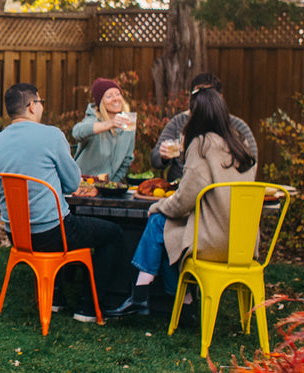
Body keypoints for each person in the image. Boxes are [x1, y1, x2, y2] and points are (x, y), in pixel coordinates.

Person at [106, 85, 257, 317]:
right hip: (243, 242)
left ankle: (143, 295)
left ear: (198, 115)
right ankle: (182, 302)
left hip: (213, 242)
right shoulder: (240, 144)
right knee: (168, 230)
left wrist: (157, 205)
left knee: (159, 221)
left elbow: (183, 202)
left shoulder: (203, 145)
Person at [0, 83, 124, 322]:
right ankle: (89, 308)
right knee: (113, 234)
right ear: (31, 106)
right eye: (40, 102)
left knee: (61, 219)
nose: (40, 107)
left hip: (17, 237)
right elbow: (71, 185)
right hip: (53, 234)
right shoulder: (51, 135)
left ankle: (56, 298)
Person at [151, 72, 257, 182]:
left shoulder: (238, 129)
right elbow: (155, 158)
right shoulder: (178, 123)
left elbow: (251, 163)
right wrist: (163, 157)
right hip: (178, 187)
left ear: (220, 99)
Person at [71, 77, 136, 183]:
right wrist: (109, 124)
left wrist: (113, 183)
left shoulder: (128, 123)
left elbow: (127, 159)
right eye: (109, 96)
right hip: (83, 184)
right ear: (101, 102)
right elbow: (77, 132)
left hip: (108, 186)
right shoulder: (93, 120)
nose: (115, 99)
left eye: (118, 94)